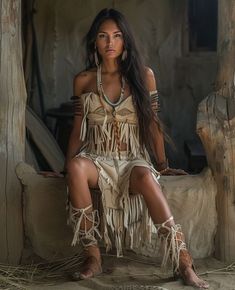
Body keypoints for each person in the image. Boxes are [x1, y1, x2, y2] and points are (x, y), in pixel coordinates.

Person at [65, 8, 209, 288]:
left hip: (132, 159)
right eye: (103, 36)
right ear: (94, 41)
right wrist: (65, 169)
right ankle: (92, 256)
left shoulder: (144, 76)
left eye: (117, 36)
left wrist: (162, 164)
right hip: (97, 158)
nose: (110, 42)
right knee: (75, 167)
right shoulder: (83, 80)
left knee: (145, 177)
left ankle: (184, 262)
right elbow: (76, 130)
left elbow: (153, 124)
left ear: (125, 41)